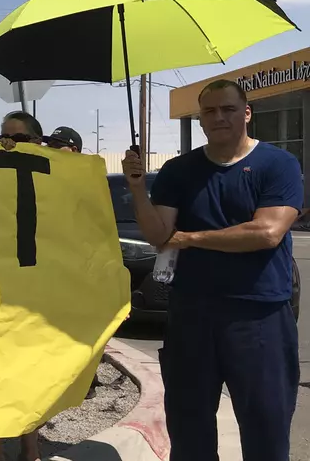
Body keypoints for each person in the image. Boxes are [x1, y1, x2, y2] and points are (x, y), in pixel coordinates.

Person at [123, 79, 301, 461]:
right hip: (191, 317)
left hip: (259, 317)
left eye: (228, 109)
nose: (218, 117)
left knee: (267, 433)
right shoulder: (178, 170)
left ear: (247, 113)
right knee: (189, 433)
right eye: (209, 111)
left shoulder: (278, 164)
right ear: (200, 118)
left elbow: (267, 232)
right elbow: (158, 234)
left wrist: (189, 239)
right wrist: (137, 189)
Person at [0, 110, 46, 461]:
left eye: (18, 138)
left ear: (37, 142)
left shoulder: (58, 176)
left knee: (31, 373)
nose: (8, 144)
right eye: (3, 138)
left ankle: (30, 447)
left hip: (35, 292)